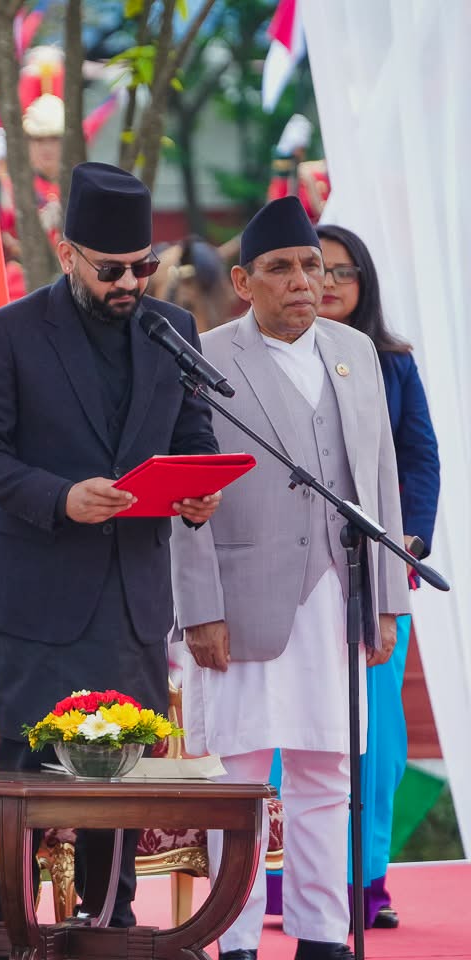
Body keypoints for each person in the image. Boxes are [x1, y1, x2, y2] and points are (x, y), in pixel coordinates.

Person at [0, 161, 221, 934]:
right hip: (40, 601)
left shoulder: (173, 331)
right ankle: (12, 938)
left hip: (133, 602)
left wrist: (197, 495)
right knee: (30, 792)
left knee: (118, 790)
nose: (131, 283)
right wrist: (61, 497)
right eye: (113, 270)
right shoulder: (9, 332)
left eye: (145, 266)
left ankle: (110, 935)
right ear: (68, 252)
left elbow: (191, 436)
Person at [170, 197, 411, 960]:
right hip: (240, 603)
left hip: (337, 595)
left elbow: (380, 479)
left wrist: (385, 602)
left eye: (313, 265)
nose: (303, 281)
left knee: (327, 772)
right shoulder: (205, 355)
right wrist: (198, 608)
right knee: (236, 778)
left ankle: (320, 935)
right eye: (281, 268)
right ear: (244, 280)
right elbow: (185, 496)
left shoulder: (355, 352)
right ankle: (234, 940)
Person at [317, 222, 439, 930]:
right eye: (315, 268)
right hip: (296, 578)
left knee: (380, 739)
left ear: (365, 283)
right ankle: (288, 875)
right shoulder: (275, 359)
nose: (327, 283)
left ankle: (366, 880)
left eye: (343, 271)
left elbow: (421, 457)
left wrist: (410, 539)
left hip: (381, 572)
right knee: (301, 733)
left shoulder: (393, 362)